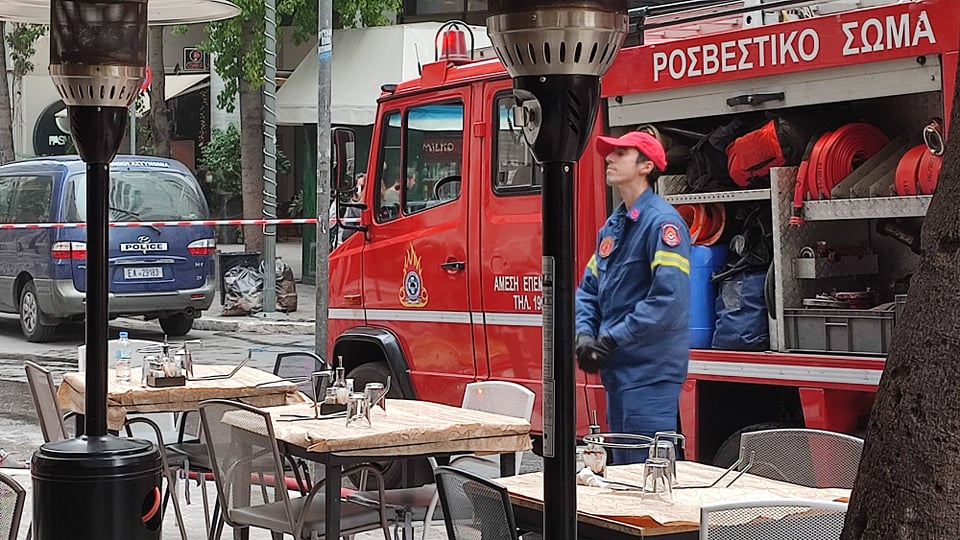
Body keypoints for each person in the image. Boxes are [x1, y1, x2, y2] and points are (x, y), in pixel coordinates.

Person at [575, 131, 691, 464]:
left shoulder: (662, 224)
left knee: (647, 476)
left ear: (646, 166)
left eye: (621, 153)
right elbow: (589, 290)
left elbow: (669, 300)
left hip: (650, 375)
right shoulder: (613, 227)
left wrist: (611, 339)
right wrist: (584, 335)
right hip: (619, 373)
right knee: (622, 477)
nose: (609, 159)